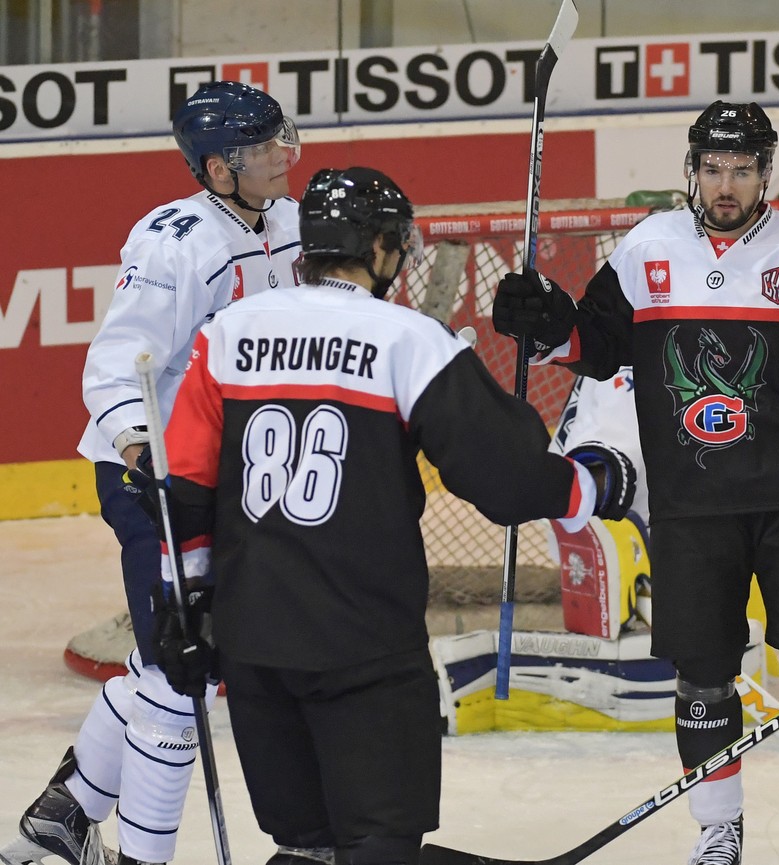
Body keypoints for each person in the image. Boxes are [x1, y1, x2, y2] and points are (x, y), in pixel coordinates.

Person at [491, 101, 779, 865]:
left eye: (743, 169)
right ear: (693, 169)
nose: (727, 184)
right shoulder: (650, 247)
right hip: (692, 505)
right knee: (703, 674)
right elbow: (596, 344)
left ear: (766, 173)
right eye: (714, 168)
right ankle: (718, 831)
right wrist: (545, 324)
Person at [147, 166, 636, 865]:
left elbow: (185, 487)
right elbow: (506, 477)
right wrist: (594, 486)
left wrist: (186, 603)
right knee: (378, 843)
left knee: (303, 845)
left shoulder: (226, 333)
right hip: (364, 648)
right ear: (379, 247)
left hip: (253, 644)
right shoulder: (406, 339)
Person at [1, 80, 302, 865]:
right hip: (154, 479)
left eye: (280, 138)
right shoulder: (173, 242)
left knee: (172, 657)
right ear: (218, 168)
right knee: (179, 674)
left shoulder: (292, 225)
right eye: (263, 146)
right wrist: (145, 457)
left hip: (223, 479)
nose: (282, 154)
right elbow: (113, 367)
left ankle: (63, 813)